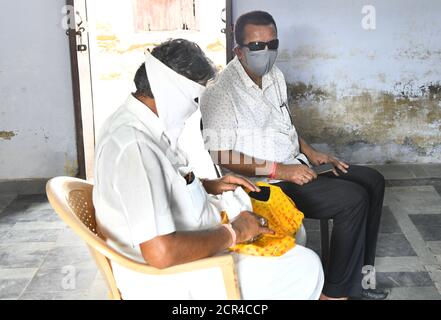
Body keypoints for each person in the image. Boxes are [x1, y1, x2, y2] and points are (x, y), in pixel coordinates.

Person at [93, 38, 324, 299]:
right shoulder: (134, 146)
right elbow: (161, 253)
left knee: (292, 232)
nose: (194, 110)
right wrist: (234, 233)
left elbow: (156, 185)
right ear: (172, 93)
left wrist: (207, 185)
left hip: (187, 245)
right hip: (171, 279)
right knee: (306, 265)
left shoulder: (136, 124)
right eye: (193, 100)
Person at [200, 11, 387, 300]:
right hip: (269, 185)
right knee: (353, 199)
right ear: (238, 50)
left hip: (298, 166)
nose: (267, 52)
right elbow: (222, 155)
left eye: (272, 44)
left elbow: (285, 124)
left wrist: (312, 153)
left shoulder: (275, 76)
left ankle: (358, 280)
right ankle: (333, 294)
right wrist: (280, 170)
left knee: (373, 181)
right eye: (257, 46)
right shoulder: (220, 90)